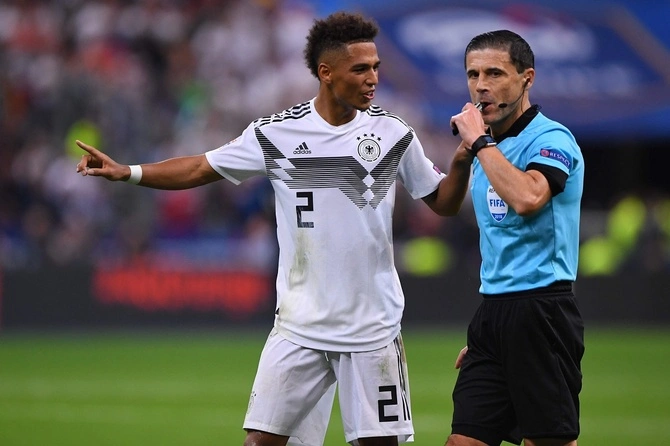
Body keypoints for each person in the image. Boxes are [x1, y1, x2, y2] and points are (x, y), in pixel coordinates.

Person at [75, 11, 473, 446]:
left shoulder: (393, 133)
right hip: (299, 326)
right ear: (326, 72)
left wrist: (462, 160)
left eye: (376, 67)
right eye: (360, 69)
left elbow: (443, 202)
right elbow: (199, 168)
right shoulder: (277, 134)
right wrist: (128, 172)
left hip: (371, 328)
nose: (373, 78)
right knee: (259, 443)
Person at [446, 30, 585, 446]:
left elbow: (528, 198)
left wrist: (480, 143)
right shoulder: (485, 149)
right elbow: (447, 205)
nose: (480, 85)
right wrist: (496, 334)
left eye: (494, 73)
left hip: (542, 310)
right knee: (463, 441)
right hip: (494, 313)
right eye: (472, 74)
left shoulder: (551, 139)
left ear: (527, 78)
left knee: (548, 441)